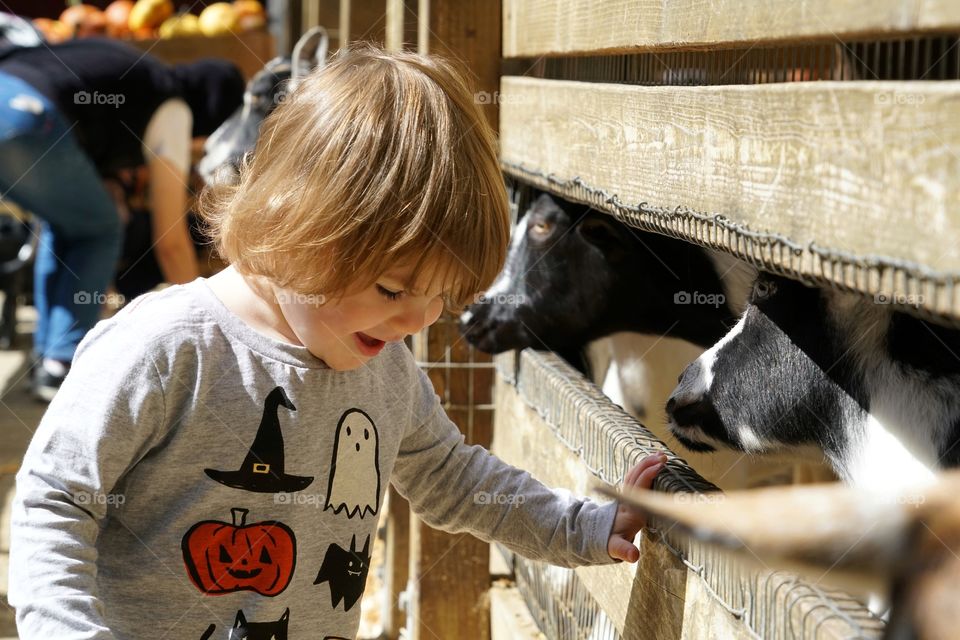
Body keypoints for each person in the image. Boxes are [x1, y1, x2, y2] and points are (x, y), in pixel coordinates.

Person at [8, 45, 668, 639]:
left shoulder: (385, 370)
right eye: (392, 289)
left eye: (441, 298)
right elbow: (57, 499)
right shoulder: (163, 348)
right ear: (293, 225)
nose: (418, 320)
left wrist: (581, 525)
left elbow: (452, 476)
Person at [0, 37, 244, 400]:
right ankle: (61, 361)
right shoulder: (173, 106)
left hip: (12, 97)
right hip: (23, 115)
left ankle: (50, 359)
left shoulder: (140, 71)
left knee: (70, 221)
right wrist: (212, 329)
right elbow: (170, 242)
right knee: (98, 230)